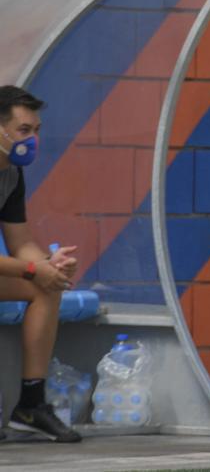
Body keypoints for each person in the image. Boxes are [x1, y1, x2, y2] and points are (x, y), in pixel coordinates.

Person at [0, 86, 81, 442]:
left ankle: (30, 405)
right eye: (23, 131)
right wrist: (31, 269)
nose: (33, 140)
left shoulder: (11, 173)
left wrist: (51, 265)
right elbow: (22, 263)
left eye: (36, 130)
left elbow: (20, 243)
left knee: (46, 288)